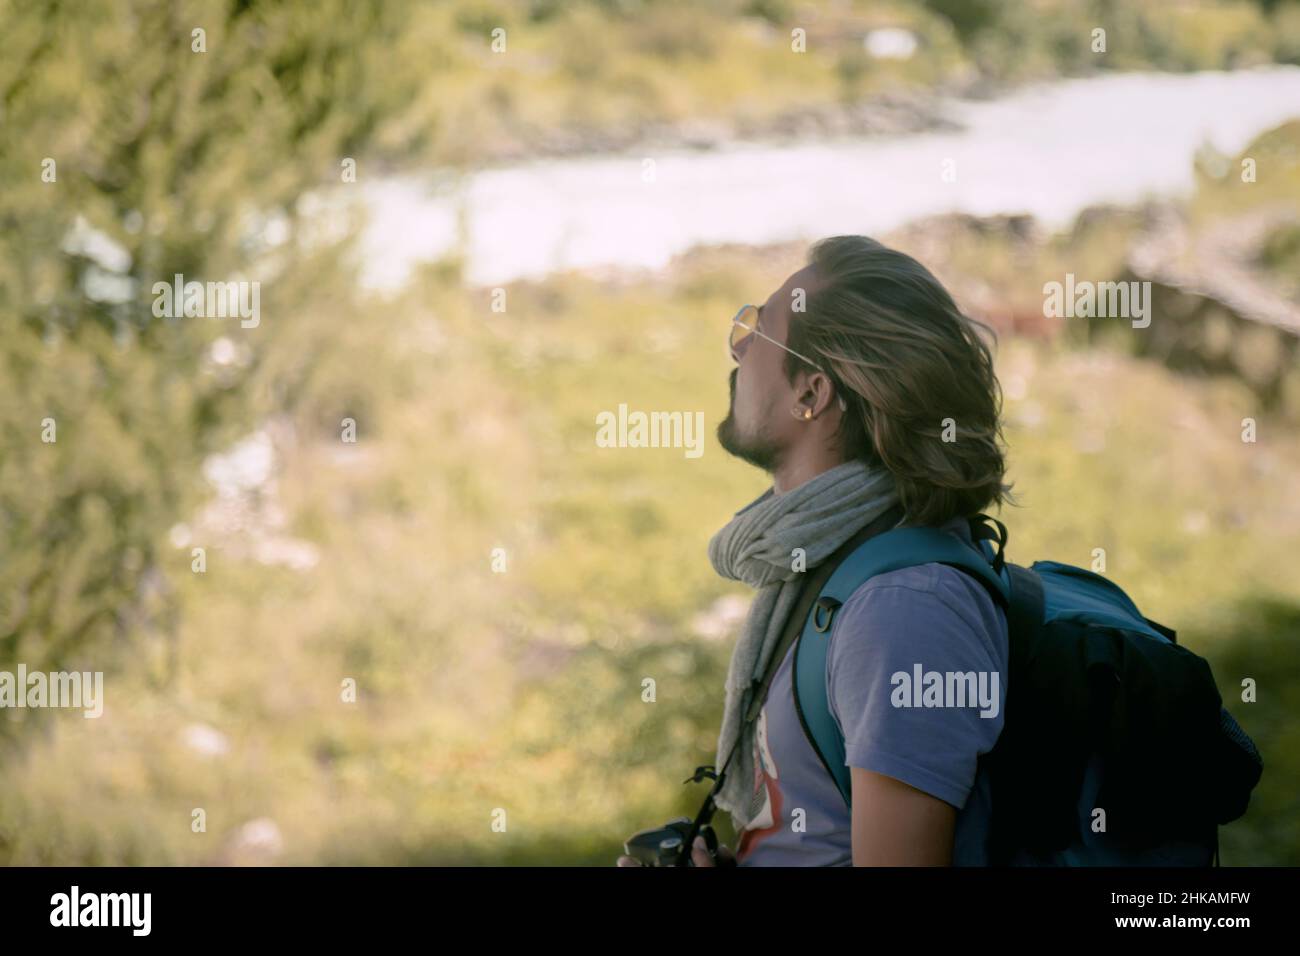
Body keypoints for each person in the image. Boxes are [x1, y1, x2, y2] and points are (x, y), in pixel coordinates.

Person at [618, 235, 1014, 867]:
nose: (739, 348)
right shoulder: (832, 561)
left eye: (759, 331)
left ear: (812, 393)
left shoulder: (902, 612)